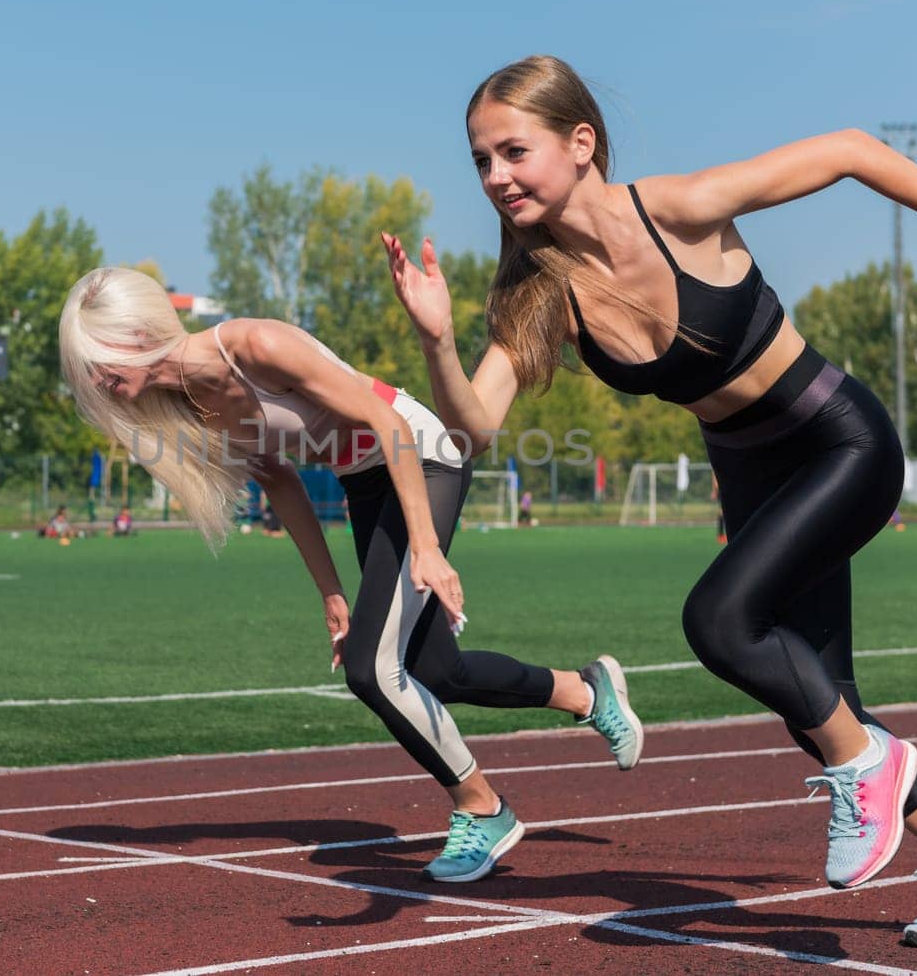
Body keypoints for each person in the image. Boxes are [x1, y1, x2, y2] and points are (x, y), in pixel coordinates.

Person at [383, 55, 917, 946]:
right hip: (751, 474)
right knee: (822, 706)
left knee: (720, 621)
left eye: (513, 151)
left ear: (581, 142)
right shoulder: (539, 292)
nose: (495, 177)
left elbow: (853, 151)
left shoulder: (680, 207)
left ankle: (876, 771)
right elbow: (473, 427)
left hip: (839, 444)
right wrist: (436, 341)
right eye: (480, 161)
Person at [60, 266, 645, 882]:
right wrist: (330, 592)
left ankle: (484, 806)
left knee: (373, 669)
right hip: (366, 481)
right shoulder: (192, 402)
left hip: (420, 454)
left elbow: (386, 422)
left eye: (97, 361)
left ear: (134, 334)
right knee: (436, 671)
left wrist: (425, 544)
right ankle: (585, 690)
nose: (96, 380)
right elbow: (281, 482)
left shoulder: (254, 347)